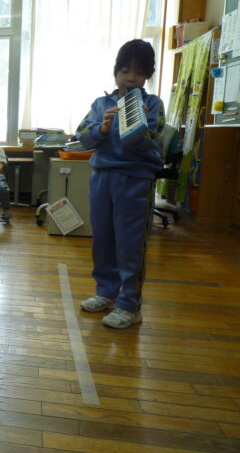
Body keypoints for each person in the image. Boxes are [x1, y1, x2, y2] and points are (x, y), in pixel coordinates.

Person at [76, 39, 165, 329]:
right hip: (102, 177)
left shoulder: (153, 104)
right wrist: (102, 128)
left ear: (147, 76)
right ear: (115, 72)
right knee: (102, 240)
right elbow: (82, 137)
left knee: (130, 244)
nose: (131, 77)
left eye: (139, 72)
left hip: (135, 179)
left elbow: (154, 142)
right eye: (125, 70)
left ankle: (129, 304)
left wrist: (137, 125)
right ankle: (106, 292)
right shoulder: (101, 104)